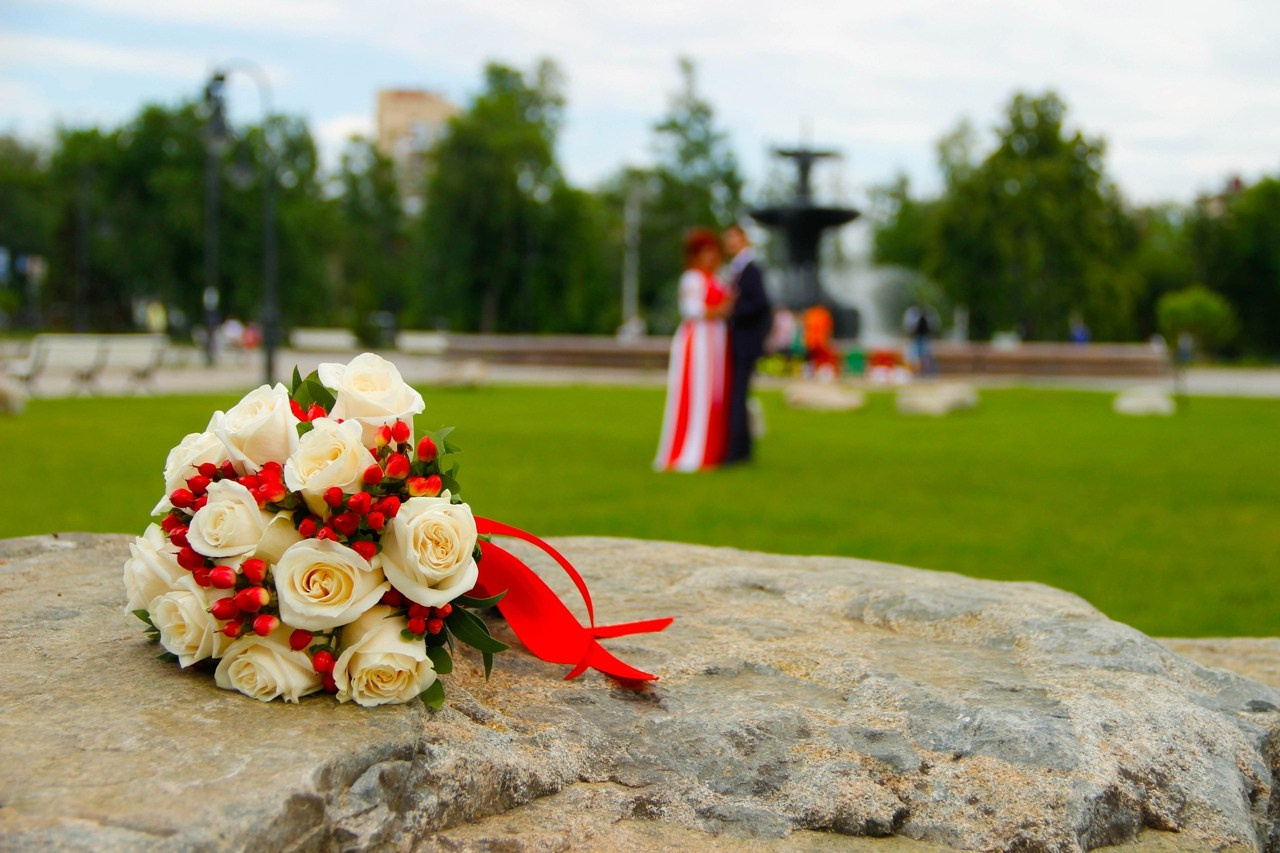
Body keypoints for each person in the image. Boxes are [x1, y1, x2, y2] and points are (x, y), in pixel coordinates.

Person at [654, 228, 733, 472]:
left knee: (715, 395)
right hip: (698, 341)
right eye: (705, 252)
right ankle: (691, 450)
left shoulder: (718, 278)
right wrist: (717, 311)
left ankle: (713, 449)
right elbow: (691, 309)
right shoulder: (692, 279)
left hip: (716, 341)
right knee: (696, 392)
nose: (710, 257)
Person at [721, 224, 773, 464]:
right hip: (742, 341)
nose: (729, 244)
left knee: (739, 396)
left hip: (745, 342)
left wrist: (733, 310)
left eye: (733, 238)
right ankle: (742, 450)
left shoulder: (751, 269)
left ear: (743, 239)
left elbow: (761, 303)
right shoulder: (739, 268)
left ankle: (736, 453)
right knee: (738, 396)